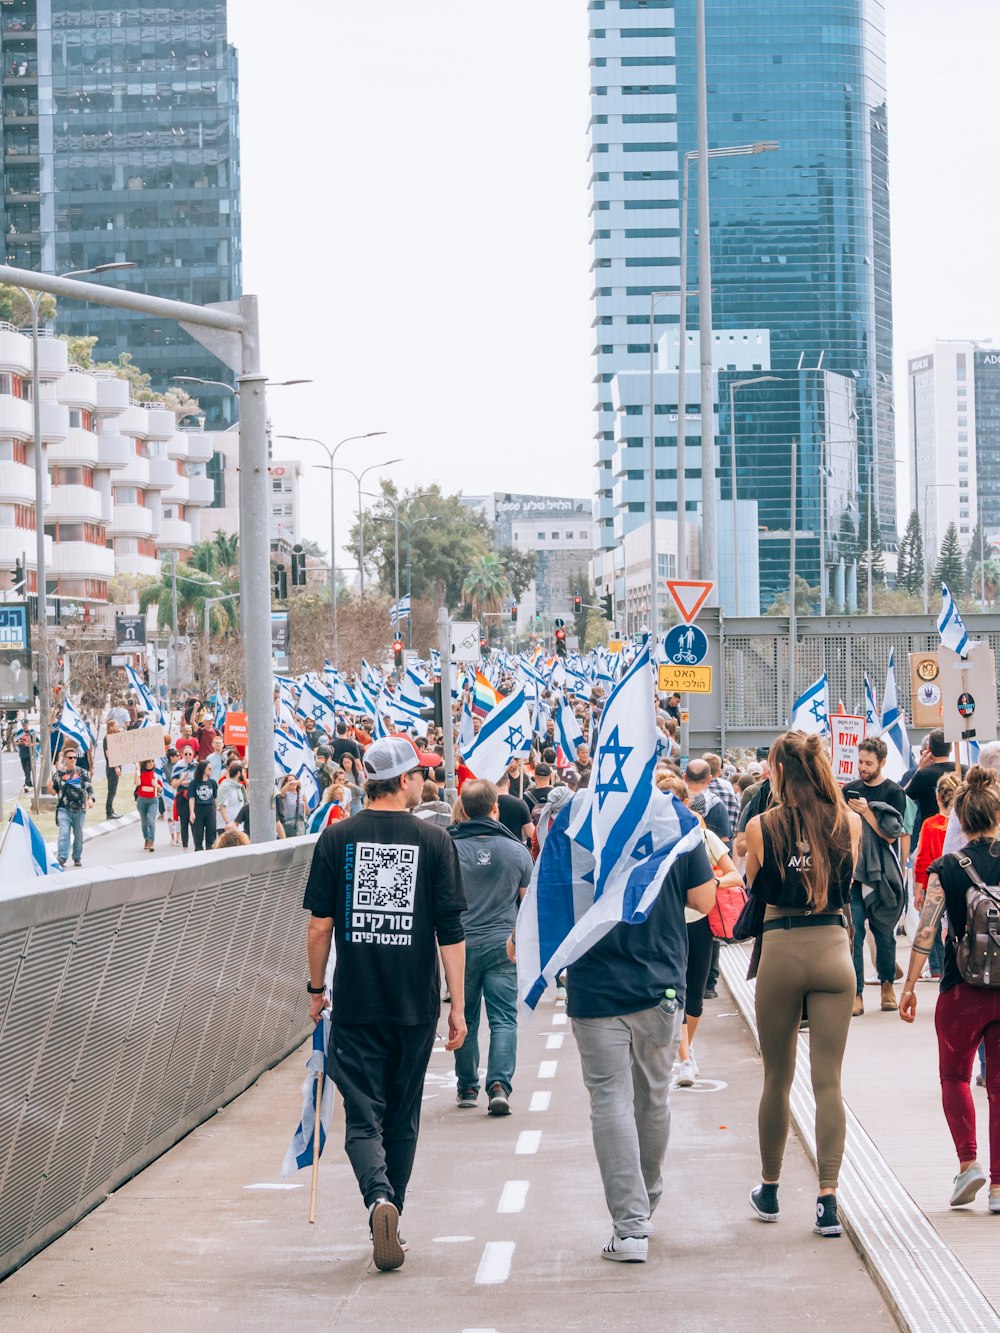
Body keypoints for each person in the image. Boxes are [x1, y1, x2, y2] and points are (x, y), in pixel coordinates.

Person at [302, 736, 467, 1271]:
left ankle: (378, 1198)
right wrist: (457, 1006)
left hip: (356, 1005)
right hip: (415, 1006)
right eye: (419, 773)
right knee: (403, 1116)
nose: (424, 780)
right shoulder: (435, 841)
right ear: (402, 781)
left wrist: (316, 990)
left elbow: (318, 927)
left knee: (362, 1117)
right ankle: (395, 1203)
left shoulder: (336, 840)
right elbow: (451, 931)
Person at [559, 792, 716, 1263]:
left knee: (609, 1098)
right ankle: (643, 1205)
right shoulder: (674, 816)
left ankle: (630, 1229)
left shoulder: (577, 814)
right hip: (659, 980)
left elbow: (551, 891)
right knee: (653, 1096)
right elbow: (704, 900)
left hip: (594, 983)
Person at [744, 732, 862, 1239]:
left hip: (781, 949)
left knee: (777, 1078)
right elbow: (849, 881)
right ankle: (828, 1201)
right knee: (829, 1082)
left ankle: (770, 1189)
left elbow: (753, 886)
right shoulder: (849, 822)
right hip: (835, 950)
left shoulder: (760, 825)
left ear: (779, 772)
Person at [900, 767, 1000, 1215]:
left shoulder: (946, 867)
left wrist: (908, 985)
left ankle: (968, 1162)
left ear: (961, 816)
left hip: (961, 990)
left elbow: (925, 932)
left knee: (956, 1077)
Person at [449, 779, 534, 1115]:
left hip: (459, 946)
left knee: (463, 1015)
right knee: (503, 1019)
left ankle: (467, 1086)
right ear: (495, 808)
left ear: (464, 810)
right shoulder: (517, 851)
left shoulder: (448, 848)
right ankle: (499, 1085)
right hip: (504, 944)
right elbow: (527, 906)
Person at [842, 736, 907, 1014]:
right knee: (853, 932)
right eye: (860, 762)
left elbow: (890, 836)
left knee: (884, 933)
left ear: (882, 762)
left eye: (868, 763)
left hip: (883, 874)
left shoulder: (894, 792)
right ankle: (856, 992)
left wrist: (867, 812)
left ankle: (887, 985)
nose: (862, 768)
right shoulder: (849, 789)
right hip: (853, 873)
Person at [912, 772, 961, 979]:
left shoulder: (930, 825)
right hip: (958, 882)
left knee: (931, 926)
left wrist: (918, 890)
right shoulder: (963, 825)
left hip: (935, 883)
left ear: (938, 797)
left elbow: (922, 859)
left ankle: (937, 968)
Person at [905, 729, 962, 849]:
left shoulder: (923, 775)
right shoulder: (964, 770)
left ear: (929, 749)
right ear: (950, 749)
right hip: (961, 831)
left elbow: (902, 797)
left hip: (930, 836)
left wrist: (920, 769)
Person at [50, 749, 94, 867]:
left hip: (79, 809)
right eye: (70, 757)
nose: (73, 759)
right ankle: (62, 857)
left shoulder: (82, 772)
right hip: (64, 809)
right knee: (63, 833)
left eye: (75, 757)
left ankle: (77, 857)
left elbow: (88, 787)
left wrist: (90, 798)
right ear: (65, 759)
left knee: (78, 835)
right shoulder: (59, 774)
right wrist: (49, 786)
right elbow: (54, 792)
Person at [495, 771, 533, 845]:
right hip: (516, 846)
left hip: (494, 846)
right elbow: (530, 832)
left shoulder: (488, 804)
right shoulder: (520, 803)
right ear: (508, 783)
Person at [189, 759, 218, 851]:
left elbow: (215, 798)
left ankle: (210, 855)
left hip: (210, 809)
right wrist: (192, 812)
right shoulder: (194, 783)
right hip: (198, 809)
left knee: (211, 835)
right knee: (198, 836)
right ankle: (199, 854)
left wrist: (217, 810)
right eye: (209, 768)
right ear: (203, 769)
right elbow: (192, 798)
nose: (211, 770)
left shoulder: (213, 782)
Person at [172, 742, 197, 849]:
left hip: (194, 795)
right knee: (184, 821)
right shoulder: (177, 767)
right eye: (185, 754)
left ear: (193, 755)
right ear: (181, 754)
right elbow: (173, 784)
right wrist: (182, 780)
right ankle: (185, 846)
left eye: (190, 754)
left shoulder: (196, 765)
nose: (188, 756)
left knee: (195, 821)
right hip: (182, 795)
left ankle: (197, 845)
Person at [134, 758, 162, 852]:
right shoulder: (140, 772)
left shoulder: (156, 773)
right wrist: (137, 770)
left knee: (151, 820)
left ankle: (151, 840)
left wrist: (157, 786)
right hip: (141, 800)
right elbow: (137, 783)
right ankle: (146, 838)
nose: (151, 763)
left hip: (153, 800)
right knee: (144, 822)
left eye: (152, 761)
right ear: (144, 763)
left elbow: (161, 789)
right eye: (148, 761)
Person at [15, 719, 34, 791]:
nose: (24, 726)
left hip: (30, 754)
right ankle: (30, 783)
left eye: (25, 725)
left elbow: (37, 742)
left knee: (28, 770)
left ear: (28, 724)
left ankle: (26, 785)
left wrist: (30, 744)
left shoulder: (31, 732)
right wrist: (20, 742)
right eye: (23, 725)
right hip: (22, 754)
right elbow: (15, 743)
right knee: (25, 771)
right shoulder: (20, 732)